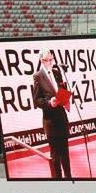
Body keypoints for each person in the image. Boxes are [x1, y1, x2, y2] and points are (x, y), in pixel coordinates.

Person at [32, 50, 71, 179]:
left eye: (51, 59)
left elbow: (62, 90)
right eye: (47, 60)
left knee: (65, 153)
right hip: (51, 122)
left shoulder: (56, 72)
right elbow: (37, 101)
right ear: (41, 61)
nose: (50, 62)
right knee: (55, 156)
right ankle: (59, 183)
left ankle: (69, 179)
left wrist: (66, 101)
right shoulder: (38, 76)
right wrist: (49, 102)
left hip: (62, 119)